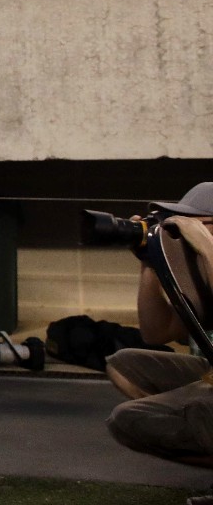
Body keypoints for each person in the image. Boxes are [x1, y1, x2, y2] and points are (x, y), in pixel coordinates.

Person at [104, 183, 213, 467]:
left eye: (194, 224)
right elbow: (157, 332)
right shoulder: (202, 270)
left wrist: (205, 246)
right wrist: (149, 262)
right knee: (124, 366)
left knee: (131, 418)